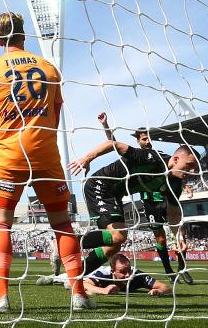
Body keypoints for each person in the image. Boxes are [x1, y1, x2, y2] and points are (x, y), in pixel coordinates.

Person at [0, 12, 94, 312]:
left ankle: (0, 296)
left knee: (0, 224)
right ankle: (79, 294)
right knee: (63, 224)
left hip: (10, 156)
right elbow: (56, 112)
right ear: (25, 35)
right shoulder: (49, 68)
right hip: (47, 155)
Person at [67, 139, 199, 285]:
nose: (192, 171)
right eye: (189, 165)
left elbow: (174, 215)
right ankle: (66, 240)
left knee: (113, 247)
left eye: (195, 168)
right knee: (118, 236)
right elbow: (114, 144)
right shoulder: (152, 158)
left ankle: (76, 277)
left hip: (115, 195)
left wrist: (178, 239)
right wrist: (87, 158)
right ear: (175, 159)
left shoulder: (175, 184)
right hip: (101, 185)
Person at [97, 113, 194, 284]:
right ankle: (168, 270)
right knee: (161, 238)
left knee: (180, 232)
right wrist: (106, 127)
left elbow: (173, 174)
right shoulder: (137, 158)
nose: (147, 141)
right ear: (138, 141)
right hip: (150, 202)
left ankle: (182, 267)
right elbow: (115, 145)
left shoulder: (160, 157)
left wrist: (182, 184)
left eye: (149, 138)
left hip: (167, 199)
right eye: (143, 139)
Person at [44, 254, 171, 297]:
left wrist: (158, 291)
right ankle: (51, 278)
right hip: (82, 276)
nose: (127, 275)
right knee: (70, 282)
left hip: (90, 281)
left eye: (129, 270)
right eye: (122, 272)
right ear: (112, 271)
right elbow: (83, 283)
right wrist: (103, 290)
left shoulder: (137, 275)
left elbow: (166, 287)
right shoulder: (104, 273)